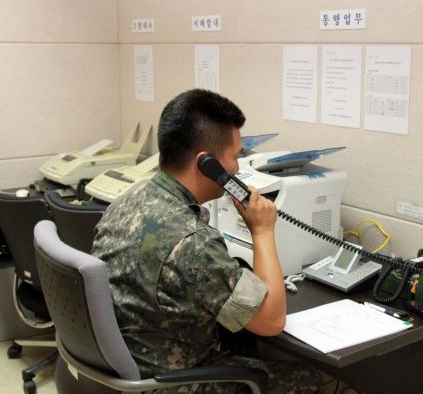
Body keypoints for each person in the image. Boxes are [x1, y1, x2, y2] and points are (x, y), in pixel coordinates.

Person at [92, 89, 323, 393]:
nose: (238, 169)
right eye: (236, 157)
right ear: (207, 164)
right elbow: (271, 321)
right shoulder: (192, 243)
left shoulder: (126, 203)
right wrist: (263, 231)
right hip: (172, 383)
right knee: (311, 378)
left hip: (126, 371)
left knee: (241, 341)